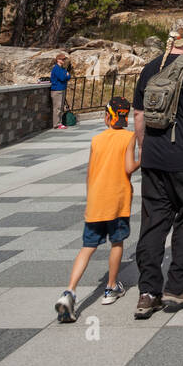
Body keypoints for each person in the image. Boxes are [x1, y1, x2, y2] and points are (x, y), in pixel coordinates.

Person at [132, 18, 183, 318]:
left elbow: (139, 114)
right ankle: (179, 283)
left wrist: (144, 148)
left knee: (153, 221)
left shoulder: (150, 67)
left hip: (153, 157)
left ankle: (148, 292)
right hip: (182, 158)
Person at [55, 97, 138, 322]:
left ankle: (69, 291)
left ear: (107, 117)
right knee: (117, 242)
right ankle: (111, 288)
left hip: (96, 201)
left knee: (87, 247)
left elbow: (90, 173)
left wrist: (90, 199)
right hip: (118, 201)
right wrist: (144, 158)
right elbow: (129, 167)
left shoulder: (97, 140)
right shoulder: (130, 137)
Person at [50, 53, 70, 129]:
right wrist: (66, 75)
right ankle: (57, 124)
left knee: (61, 108)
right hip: (57, 90)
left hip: (61, 89)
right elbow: (62, 78)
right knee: (57, 108)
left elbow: (68, 76)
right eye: (62, 59)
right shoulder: (56, 68)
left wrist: (67, 75)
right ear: (58, 60)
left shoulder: (62, 68)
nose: (64, 60)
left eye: (64, 59)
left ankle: (60, 122)